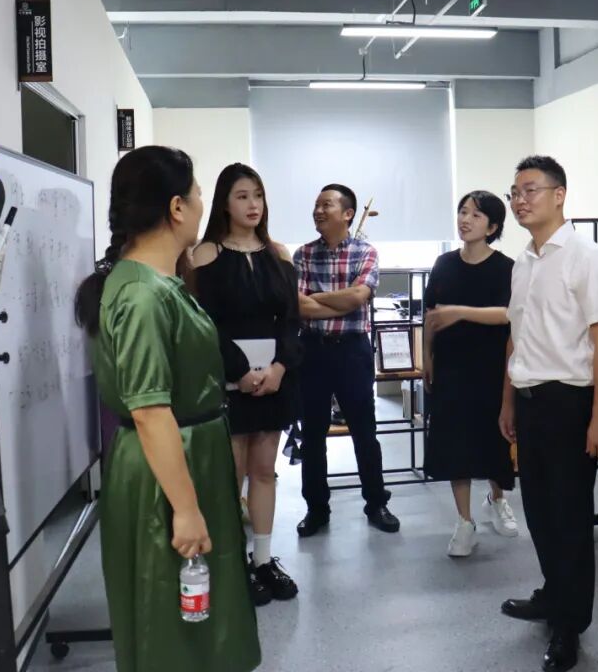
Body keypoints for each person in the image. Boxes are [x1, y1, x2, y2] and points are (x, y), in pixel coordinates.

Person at [73, 146, 260, 672]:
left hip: (188, 455)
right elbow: (151, 411)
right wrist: (186, 508)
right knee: (170, 615)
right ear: (176, 207)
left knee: (201, 612)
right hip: (165, 467)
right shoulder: (142, 295)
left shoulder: (161, 283)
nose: (203, 206)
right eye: (198, 195)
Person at [498, 156, 598, 672]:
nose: (520, 200)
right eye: (515, 192)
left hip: (569, 403)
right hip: (529, 401)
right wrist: (508, 400)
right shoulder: (523, 261)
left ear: (559, 194)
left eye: (530, 189)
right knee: (540, 513)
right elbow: (516, 336)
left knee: (569, 519)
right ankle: (553, 594)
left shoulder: (588, 257)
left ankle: (570, 625)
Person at [188, 163, 300, 605]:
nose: (253, 204)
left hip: (273, 379)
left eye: (258, 195)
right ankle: (233, 563)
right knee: (231, 475)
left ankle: (264, 559)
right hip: (228, 379)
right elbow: (205, 324)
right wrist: (238, 370)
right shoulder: (205, 254)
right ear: (224, 203)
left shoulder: (279, 253)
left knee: (265, 471)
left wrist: (279, 368)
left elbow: (290, 320)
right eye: (242, 196)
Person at [294, 184, 400, 537]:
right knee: (312, 433)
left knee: (364, 431)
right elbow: (298, 305)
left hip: (353, 350)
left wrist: (317, 298)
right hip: (312, 349)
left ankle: (376, 502)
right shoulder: (303, 254)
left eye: (326, 204)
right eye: (316, 204)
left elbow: (357, 297)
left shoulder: (365, 252)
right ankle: (316, 508)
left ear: (348, 213)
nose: (318, 210)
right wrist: (337, 301)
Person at [423, 190, 517, 557]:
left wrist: (460, 311)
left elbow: (510, 314)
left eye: (476, 215)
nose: (465, 220)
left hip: (491, 367)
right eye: (463, 212)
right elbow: (431, 315)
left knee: (493, 439)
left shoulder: (506, 267)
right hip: (451, 365)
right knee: (454, 444)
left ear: (492, 227)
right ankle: (464, 522)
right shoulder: (444, 264)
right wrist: (427, 357)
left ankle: (497, 499)